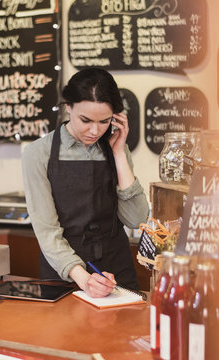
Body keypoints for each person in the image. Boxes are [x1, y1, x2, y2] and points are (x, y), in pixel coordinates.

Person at [22, 68, 149, 298]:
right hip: (64, 271)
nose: (94, 131)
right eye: (85, 120)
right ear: (68, 106)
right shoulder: (38, 154)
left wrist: (119, 153)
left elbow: (137, 219)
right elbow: (48, 232)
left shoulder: (116, 148)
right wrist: (84, 278)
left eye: (104, 121)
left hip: (116, 266)